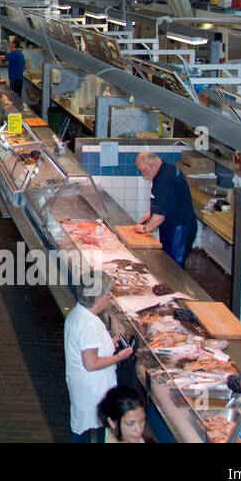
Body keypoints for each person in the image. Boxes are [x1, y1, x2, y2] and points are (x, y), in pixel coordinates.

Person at [64, 273, 133, 442]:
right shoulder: (88, 324)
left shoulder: (79, 314)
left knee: (84, 431)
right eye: (108, 293)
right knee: (88, 434)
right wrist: (119, 357)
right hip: (92, 391)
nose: (110, 296)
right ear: (97, 297)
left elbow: (89, 347)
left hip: (85, 388)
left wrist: (108, 344)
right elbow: (91, 363)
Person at [134, 152, 198, 266]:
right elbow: (161, 201)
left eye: (143, 170)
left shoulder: (165, 180)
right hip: (172, 225)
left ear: (151, 165)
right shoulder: (167, 169)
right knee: (167, 261)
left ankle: (177, 284)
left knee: (174, 266)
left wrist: (145, 228)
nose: (143, 174)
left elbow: (160, 216)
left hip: (180, 228)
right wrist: (149, 215)